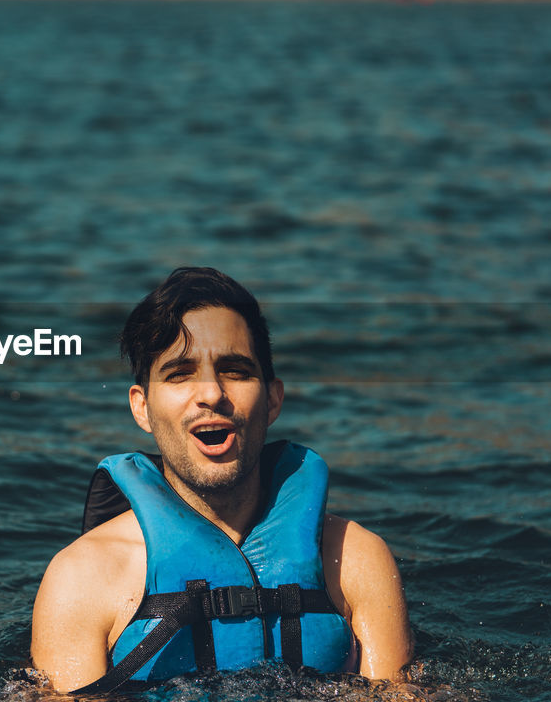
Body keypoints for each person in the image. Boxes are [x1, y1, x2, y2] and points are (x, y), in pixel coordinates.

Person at [30, 267, 412, 693]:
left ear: (272, 399)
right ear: (141, 408)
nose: (211, 393)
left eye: (235, 370)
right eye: (180, 373)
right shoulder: (81, 579)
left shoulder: (357, 562)